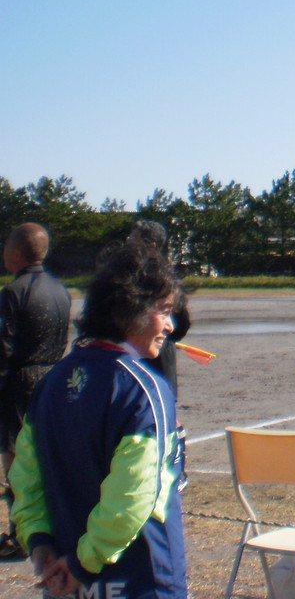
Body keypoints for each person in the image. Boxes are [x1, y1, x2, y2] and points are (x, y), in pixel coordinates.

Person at [10, 242, 186, 599]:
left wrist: (39, 543)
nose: (170, 324)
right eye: (164, 310)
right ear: (130, 308)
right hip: (138, 580)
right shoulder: (142, 388)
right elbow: (133, 496)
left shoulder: (51, 382)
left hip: (65, 577)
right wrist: (82, 563)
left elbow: (25, 480)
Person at [0, 224, 71, 560]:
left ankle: (20, 534)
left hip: (20, 380)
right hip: (53, 377)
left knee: (16, 461)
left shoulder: (14, 292)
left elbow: (4, 347)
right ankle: (52, 524)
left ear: (16, 254)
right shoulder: (61, 290)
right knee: (47, 454)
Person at [127, 221, 191, 395]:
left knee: (164, 409)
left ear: (151, 245)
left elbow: (181, 324)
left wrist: (160, 335)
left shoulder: (163, 278)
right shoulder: (126, 274)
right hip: (133, 359)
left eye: (134, 237)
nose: (128, 241)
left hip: (158, 359)